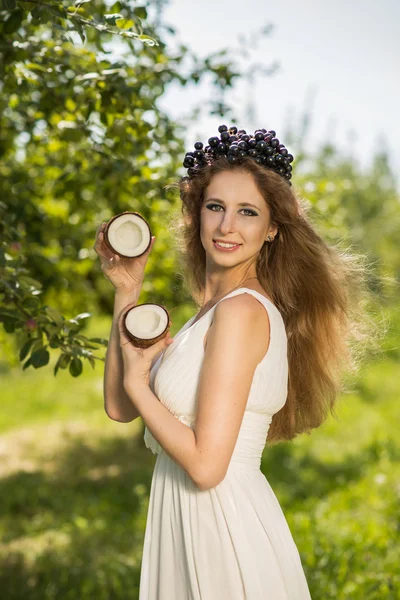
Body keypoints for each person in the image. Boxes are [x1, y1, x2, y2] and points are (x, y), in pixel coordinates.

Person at [94, 125, 373, 599]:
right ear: (196, 215)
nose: (227, 227)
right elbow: (120, 406)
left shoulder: (242, 312)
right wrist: (127, 291)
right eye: (215, 207)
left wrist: (143, 385)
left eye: (248, 212)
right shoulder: (209, 312)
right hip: (184, 520)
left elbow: (206, 467)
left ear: (272, 229)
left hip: (221, 527)